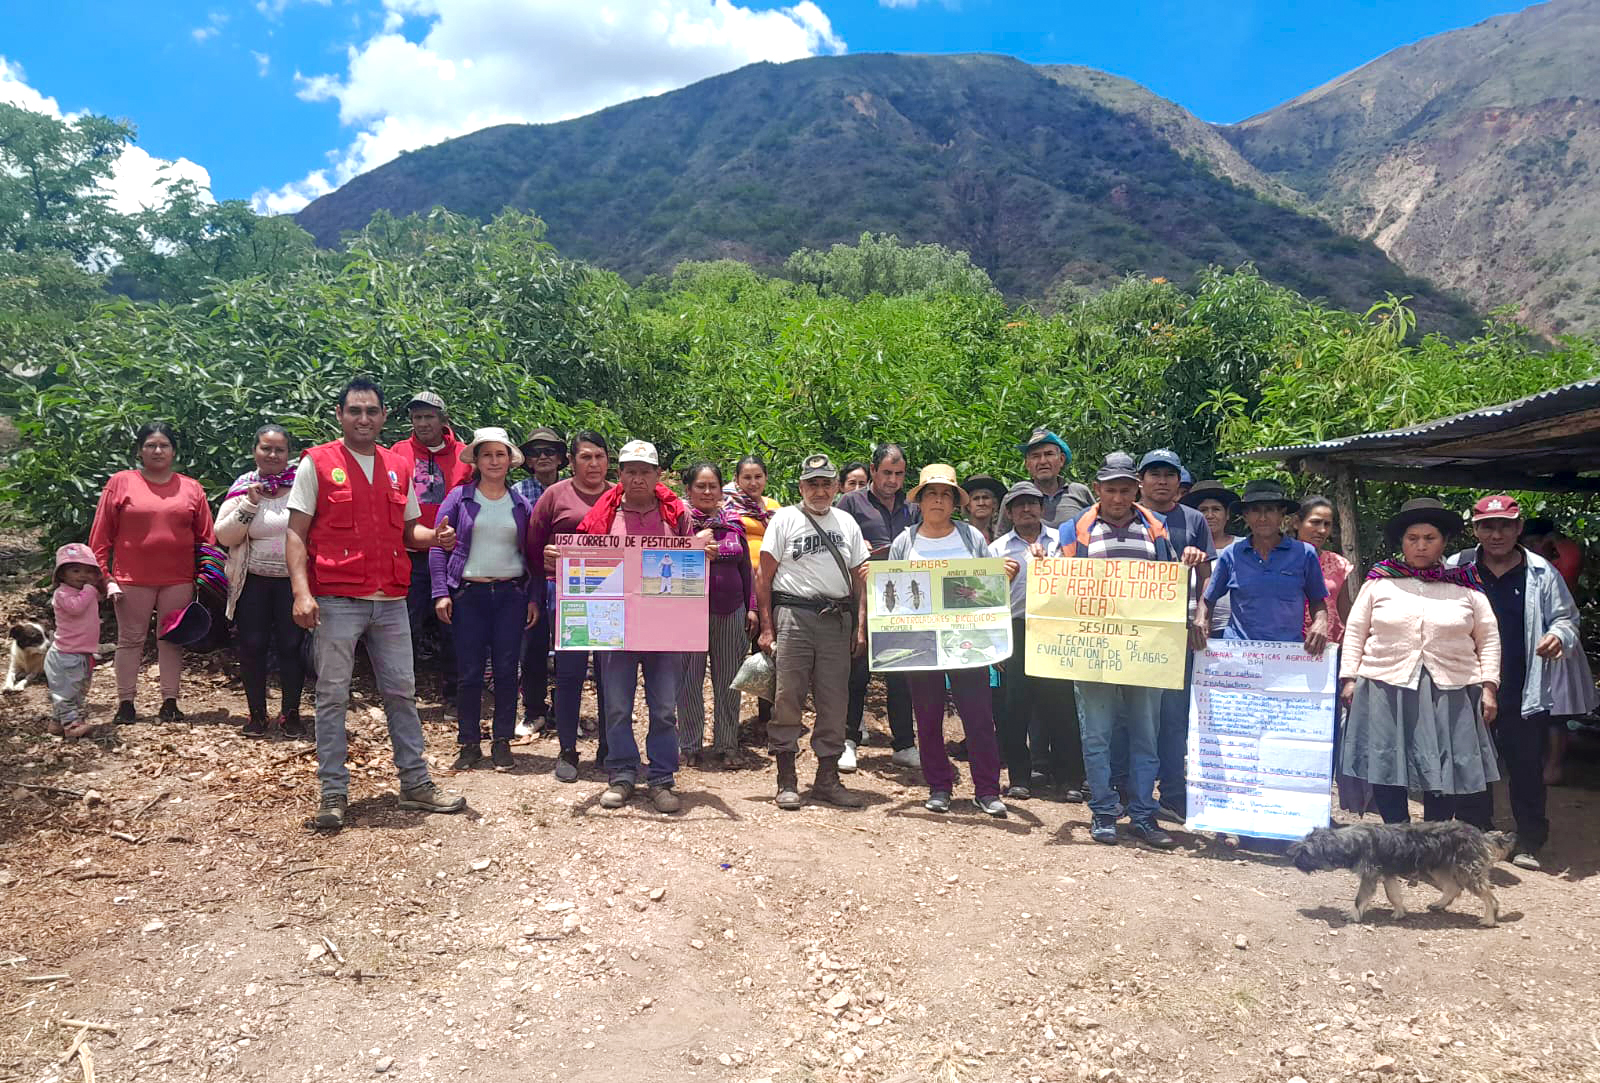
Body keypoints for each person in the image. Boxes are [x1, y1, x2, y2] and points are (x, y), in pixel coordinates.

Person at [286, 378, 466, 832]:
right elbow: (295, 533)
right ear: (340, 414)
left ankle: (415, 783)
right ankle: (333, 792)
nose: (363, 419)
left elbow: (410, 533)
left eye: (371, 411)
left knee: (401, 692)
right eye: (355, 411)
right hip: (336, 598)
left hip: (389, 599)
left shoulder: (395, 466)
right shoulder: (318, 463)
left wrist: (436, 537)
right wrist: (301, 592)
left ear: (384, 416)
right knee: (331, 696)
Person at [1339, 497, 1500, 830]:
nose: (1421, 546)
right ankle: (1398, 835)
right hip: (1385, 684)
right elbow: (1355, 631)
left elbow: (1488, 638)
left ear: (1443, 543)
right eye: (1413, 539)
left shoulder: (1465, 587)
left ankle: (1430, 840)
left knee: (1443, 765)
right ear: (1402, 543)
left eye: (1430, 539)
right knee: (1385, 762)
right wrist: (1350, 678)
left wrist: (1489, 687)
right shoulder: (1379, 583)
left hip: (1451, 688)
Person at [1049, 453, 1182, 849]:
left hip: (1145, 652)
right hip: (1093, 650)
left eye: (1126, 489)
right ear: (1098, 488)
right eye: (1111, 489)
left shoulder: (1156, 531)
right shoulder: (1074, 532)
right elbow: (1058, 590)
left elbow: (1172, 589)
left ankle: (1142, 814)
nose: (1119, 497)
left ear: (1135, 489)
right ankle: (1104, 812)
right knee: (1097, 736)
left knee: (1146, 735)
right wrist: (1044, 567)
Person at [1444, 495, 1580, 870]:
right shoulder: (1458, 567)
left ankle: (1529, 841)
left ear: (1519, 528)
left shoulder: (1540, 572)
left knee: (1525, 765)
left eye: (1505, 525)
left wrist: (1559, 636)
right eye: (1487, 525)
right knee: (1472, 763)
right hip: (1467, 683)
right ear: (1475, 529)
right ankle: (1477, 836)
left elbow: (1567, 618)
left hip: (1523, 685)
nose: (1496, 533)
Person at [887, 465, 1017, 816]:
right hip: (921, 643)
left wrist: (1004, 575)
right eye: (932, 493)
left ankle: (987, 790)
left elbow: (990, 590)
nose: (939, 500)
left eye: (946, 494)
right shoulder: (905, 541)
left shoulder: (971, 538)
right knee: (927, 717)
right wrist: (875, 577)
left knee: (978, 717)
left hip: (968, 642)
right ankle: (939, 786)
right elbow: (893, 593)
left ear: (954, 502)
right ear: (921, 501)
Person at [577, 439, 696, 813]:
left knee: (663, 706)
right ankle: (623, 774)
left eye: (646, 471)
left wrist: (701, 552)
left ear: (658, 475)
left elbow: (691, 566)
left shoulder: (677, 515)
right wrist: (559, 557)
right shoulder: (603, 516)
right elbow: (581, 559)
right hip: (614, 625)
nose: (638, 478)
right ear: (621, 475)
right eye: (631, 471)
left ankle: (661, 778)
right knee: (616, 705)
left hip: (665, 627)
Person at [757, 453, 871, 810]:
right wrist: (766, 626)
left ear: (837, 487)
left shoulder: (848, 522)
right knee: (788, 695)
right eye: (812, 483)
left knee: (834, 700)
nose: (819, 491)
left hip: (838, 618)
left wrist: (861, 626)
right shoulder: (785, 520)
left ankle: (827, 778)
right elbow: (764, 576)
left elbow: (860, 580)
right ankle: (786, 778)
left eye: (826, 483)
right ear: (801, 486)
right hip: (794, 614)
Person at [89, 421, 216, 725]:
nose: (157, 450)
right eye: (150, 445)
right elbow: (100, 537)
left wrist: (205, 577)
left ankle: (170, 702)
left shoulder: (191, 487)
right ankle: (126, 703)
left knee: (171, 639)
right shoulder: (121, 483)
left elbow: (207, 538)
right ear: (139, 450)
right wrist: (105, 578)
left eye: (164, 445)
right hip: (131, 579)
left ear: (174, 451)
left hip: (179, 579)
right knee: (130, 640)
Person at [430, 428, 539, 774]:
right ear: (476, 460)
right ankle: (469, 742)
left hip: (510, 595)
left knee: (508, 671)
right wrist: (440, 592)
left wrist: (533, 598)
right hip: (468, 595)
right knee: (469, 672)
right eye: (487, 454)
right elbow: (437, 544)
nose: (494, 460)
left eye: (500, 454)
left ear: (510, 461)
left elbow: (532, 555)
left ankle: (502, 741)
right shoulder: (459, 497)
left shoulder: (521, 504)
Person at [526, 431, 615, 782]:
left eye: (599, 456)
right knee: (569, 673)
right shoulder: (554, 495)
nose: (593, 463)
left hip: (612, 598)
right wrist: (545, 563)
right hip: (566, 595)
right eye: (585, 457)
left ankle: (611, 746)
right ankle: (567, 749)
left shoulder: (620, 496)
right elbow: (532, 548)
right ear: (572, 461)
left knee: (612, 675)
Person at [1133, 449, 1213, 821]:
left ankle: (1173, 792)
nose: (1162, 481)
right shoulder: (1126, 516)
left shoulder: (1194, 520)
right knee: (1129, 714)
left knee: (1174, 716)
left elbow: (1206, 576)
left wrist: (1201, 614)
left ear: (1179, 481)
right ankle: (1129, 789)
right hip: (1131, 631)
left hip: (1177, 633)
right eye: (1154, 474)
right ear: (1141, 481)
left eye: (1169, 474)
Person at [216, 424, 308, 739]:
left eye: (279, 449)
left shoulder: (302, 486)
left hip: (292, 582)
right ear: (255, 450)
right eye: (265, 448)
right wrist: (250, 504)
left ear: (289, 454)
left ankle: (291, 714)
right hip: (252, 582)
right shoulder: (244, 485)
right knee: (252, 646)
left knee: (292, 647)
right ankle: (257, 715)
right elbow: (224, 535)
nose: (272, 455)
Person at [991, 482, 1081, 801]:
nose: (1026, 509)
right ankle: (1019, 777)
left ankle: (1069, 780)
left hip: (1056, 629)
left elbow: (1079, 580)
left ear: (1043, 508)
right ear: (1010, 513)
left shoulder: (1064, 542)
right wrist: (995, 643)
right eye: (1018, 505)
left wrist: (1051, 567)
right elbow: (988, 600)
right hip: (1014, 629)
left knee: (1061, 706)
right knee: (1014, 708)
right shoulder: (997, 550)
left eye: (1032, 503)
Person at [836, 443, 921, 771]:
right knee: (857, 672)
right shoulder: (850, 502)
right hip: (861, 600)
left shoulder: (913, 507)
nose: (893, 480)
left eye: (899, 474)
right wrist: (857, 548)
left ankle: (904, 744)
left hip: (903, 603)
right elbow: (835, 541)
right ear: (872, 471)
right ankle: (849, 740)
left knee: (902, 675)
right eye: (887, 473)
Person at [391, 391, 471, 707]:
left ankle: (454, 696)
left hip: (452, 555)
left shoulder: (465, 456)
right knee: (403, 627)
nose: (423, 423)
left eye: (429, 417)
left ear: (443, 419)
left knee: (453, 628)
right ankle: (402, 696)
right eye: (417, 417)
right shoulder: (398, 453)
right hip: (409, 553)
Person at [677, 462, 756, 767]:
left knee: (728, 680)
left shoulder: (734, 523)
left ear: (722, 490)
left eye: (713, 486)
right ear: (688, 490)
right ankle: (689, 744)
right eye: (701, 486)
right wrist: (695, 542)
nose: (708, 492)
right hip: (687, 614)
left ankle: (727, 743)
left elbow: (745, 568)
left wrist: (751, 608)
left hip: (731, 610)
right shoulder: (679, 523)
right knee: (689, 680)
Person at [1195, 480, 1330, 657]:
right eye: (1256, 511)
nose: (1263, 518)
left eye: (1270, 510)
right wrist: (1201, 620)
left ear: (1282, 515)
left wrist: (1321, 621)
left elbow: (1317, 600)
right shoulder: (1232, 554)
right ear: (1245, 515)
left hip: (1287, 654)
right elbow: (1208, 599)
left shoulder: (1304, 554)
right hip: (1239, 654)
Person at [513, 425, 567, 737]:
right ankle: (533, 709)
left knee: (568, 647)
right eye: (536, 452)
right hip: (530, 577)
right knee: (532, 645)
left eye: (550, 451)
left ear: (561, 458)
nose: (543, 457)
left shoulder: (573, 489)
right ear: (528, 460)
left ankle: (563, 708)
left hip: (569, 579)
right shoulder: (519, 492)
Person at [45, 543, 104, 739]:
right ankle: (71, 725)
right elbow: (76, 608)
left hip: (81, 652)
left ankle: (57, 723)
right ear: (62, 574)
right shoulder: (62, 594)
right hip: (65, 654)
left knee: (77, 689)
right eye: (75, 570)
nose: (82, 575)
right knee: (67, 692)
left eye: (88, 571)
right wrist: (90, 590)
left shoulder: (85, 592)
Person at [997, 426, 1091, 532]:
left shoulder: (1079, 492)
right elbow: (1002, 538)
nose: (1042, 461)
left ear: (1061, 459)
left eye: (1049, 454)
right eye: (1035, 456)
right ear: (1027, 464)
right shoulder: (1015, 497)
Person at [1180, 481, 1240, 636]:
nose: (1210, 515)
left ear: (1227, 515)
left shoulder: (1242, 548)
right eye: (1203, 510)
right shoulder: (1184, 551)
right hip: (1189, 629)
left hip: (1231, 632)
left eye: (1216, 509)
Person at [1295, 495, 1354, 642]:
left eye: (1327, 524)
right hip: (1286, 646)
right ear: (1296, 523)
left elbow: (1345, 612)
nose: (1321, 530)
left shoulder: (1339, 564)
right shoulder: (1279, 560)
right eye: (1315, 522)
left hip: (1328, 648)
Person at [962, 475, 1006, 542]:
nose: (981, 503)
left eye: (986, 498)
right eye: (976, 498)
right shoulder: (959, 533)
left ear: (994, 504)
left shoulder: (1004, 535)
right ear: (968, 506)